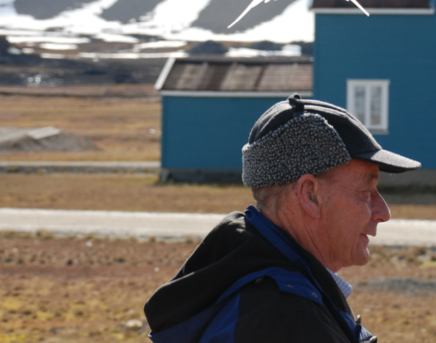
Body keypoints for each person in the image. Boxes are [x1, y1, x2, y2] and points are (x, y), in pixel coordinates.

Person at [144, 95, 420, 342]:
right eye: (365, 191)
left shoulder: (246, 280)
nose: (383, 212)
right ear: (310, 194)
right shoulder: (287, 322)